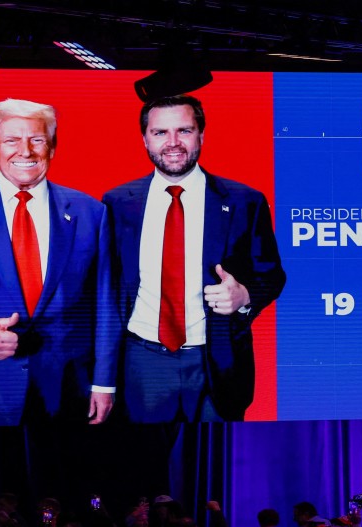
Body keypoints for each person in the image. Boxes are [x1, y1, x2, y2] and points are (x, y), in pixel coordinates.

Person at [0, 98, 119, 427]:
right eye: (12, 140)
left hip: (66, 393)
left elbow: (105, 305)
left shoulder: (92, 213)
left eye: (37, 140)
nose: (25, 152)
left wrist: (104, 383)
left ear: (52, 147)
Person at [104, 94, 286, 422]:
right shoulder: (116, 203)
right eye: (160, 133)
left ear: (202, 134)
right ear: (144, 139)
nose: (173, 143)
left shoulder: (245, 201)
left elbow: (271, 275)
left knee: (216, 465)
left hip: (216, 363)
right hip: (141, 364)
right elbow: (102, 287)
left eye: (184, 131)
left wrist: (244, 295)